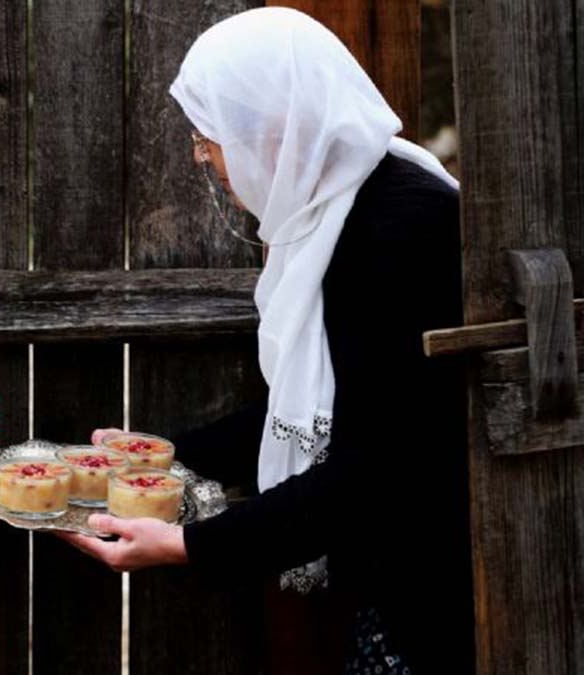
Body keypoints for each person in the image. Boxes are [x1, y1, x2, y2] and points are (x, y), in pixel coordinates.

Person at [59, 8, 473, 674]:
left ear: (274, 127)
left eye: (209, 133)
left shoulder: (399, 227)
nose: (202, 154)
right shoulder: (336, 211)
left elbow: (377, 468)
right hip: (403, 585)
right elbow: (310, 412)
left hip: (452, 603)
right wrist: (162, 456)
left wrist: (188, 544)